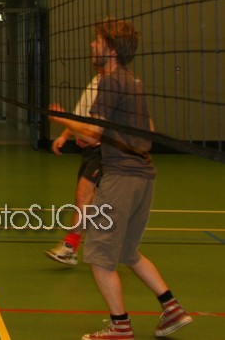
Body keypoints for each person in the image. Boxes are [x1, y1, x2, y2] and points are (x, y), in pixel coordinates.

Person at [50, 19, 192, 340]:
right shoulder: (133, 81)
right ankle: (172, 308)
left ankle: (120, 326)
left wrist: (63, 121)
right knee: (128, 251)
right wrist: (104, 135)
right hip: (144, 176)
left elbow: (94, 132)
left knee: (99, 256)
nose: (92, 46)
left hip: (122, 178)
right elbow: (148, 129)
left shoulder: (111, 82)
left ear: (111, 50)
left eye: (97, 42)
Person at [44, 71, 102, 265]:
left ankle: (70, 248)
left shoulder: (115, 85)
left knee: (83, 196)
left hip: (104, 151)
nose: (93, 55)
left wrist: (93, 136)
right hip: (91, 150)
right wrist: (64, 135)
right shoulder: (95, 82)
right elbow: (80, 117)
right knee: (91, 201)